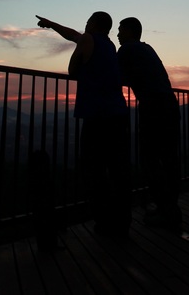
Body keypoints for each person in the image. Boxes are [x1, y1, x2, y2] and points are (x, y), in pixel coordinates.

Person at [36, 12, 131, 238]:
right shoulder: (109, 46)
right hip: (118, 114)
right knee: (117, 170)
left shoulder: (89, 39)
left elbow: (73, 68)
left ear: (94, 24)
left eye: (88, 21)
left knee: (93, 169)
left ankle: (104, 222)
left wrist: (77, 59)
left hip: (98, 115)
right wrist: (51, 24)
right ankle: (121, 222)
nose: (85, 25)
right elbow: (73, 35)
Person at [116, 17, 182, 231]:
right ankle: (170, 209)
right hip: (169, 105)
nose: (117, 34)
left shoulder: (127, 50)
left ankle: (166, 212)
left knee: (151, 160)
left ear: (129, 31)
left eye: (120, 30)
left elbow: (115, 75)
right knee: (169, 159)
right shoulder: (147, 49)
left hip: (153, 108)